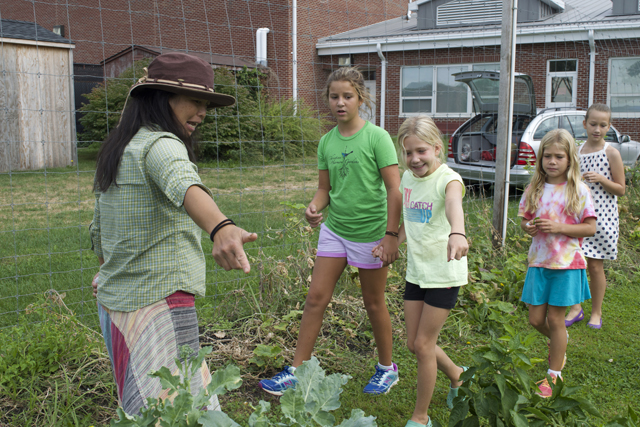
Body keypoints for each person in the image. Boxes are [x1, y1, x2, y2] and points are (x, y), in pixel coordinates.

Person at [89, 52, 257, 416]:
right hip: (159, 301)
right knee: (178, 410)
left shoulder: (120, 149)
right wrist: (222, 227)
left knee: (146, 408)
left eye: (206, 103)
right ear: (163, 98)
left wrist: (108, 271)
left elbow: (99, 230)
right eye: (195, 101)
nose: (202, 112)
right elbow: (185, 184)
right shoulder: (161, 144)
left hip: (117, 306)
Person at [258, 66, 402, 396]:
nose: (340, 102)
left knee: (373, 303)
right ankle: (297, 371)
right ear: (327, 99)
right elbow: (325, 188)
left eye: (347, 96)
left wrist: (391, 235)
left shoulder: (377, 137)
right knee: (315, 299)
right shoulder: (327, 141)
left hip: (371, 234)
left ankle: (386, 368)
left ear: (361, 99)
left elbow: (395, 190)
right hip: (335, 231)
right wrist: (314, 206)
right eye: (334, 96)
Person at [372, 116, 468, 427]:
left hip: (444, 271)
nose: (414, 159)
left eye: (421, 151)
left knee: (424, 345)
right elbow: (410, 222)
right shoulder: (407, 179)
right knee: (413, 344)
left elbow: (454, 204)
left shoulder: (448, 179)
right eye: (408, 152)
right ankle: (456, 374)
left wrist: (458, 232)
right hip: (417, 272)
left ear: (437, 148)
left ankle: (420, 417)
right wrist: (391, 243)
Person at [519, 129, 596, 398]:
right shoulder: (534, 188)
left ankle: (553, 376)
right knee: (535, 319)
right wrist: (528, 227)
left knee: (555, 318)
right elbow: (524, 219)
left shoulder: (579, 190)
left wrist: (559, 227)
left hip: (567, 264)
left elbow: (590, 228)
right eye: (547, 156)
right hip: (539, 263)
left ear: (570, 159)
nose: (552, 161)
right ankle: (559, 343)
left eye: (558, 156)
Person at [564, 104, 625, 330]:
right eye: (593, 124)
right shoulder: (577, 151)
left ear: (608, 127)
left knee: (595, 267)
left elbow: (620, 189)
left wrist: (602, 179)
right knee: (574, 264)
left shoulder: (611, 153)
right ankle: (576, 308)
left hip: (602, 217)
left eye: (602, 125)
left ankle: (596, 312)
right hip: (578, 216)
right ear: (585, 124)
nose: (597, 129)